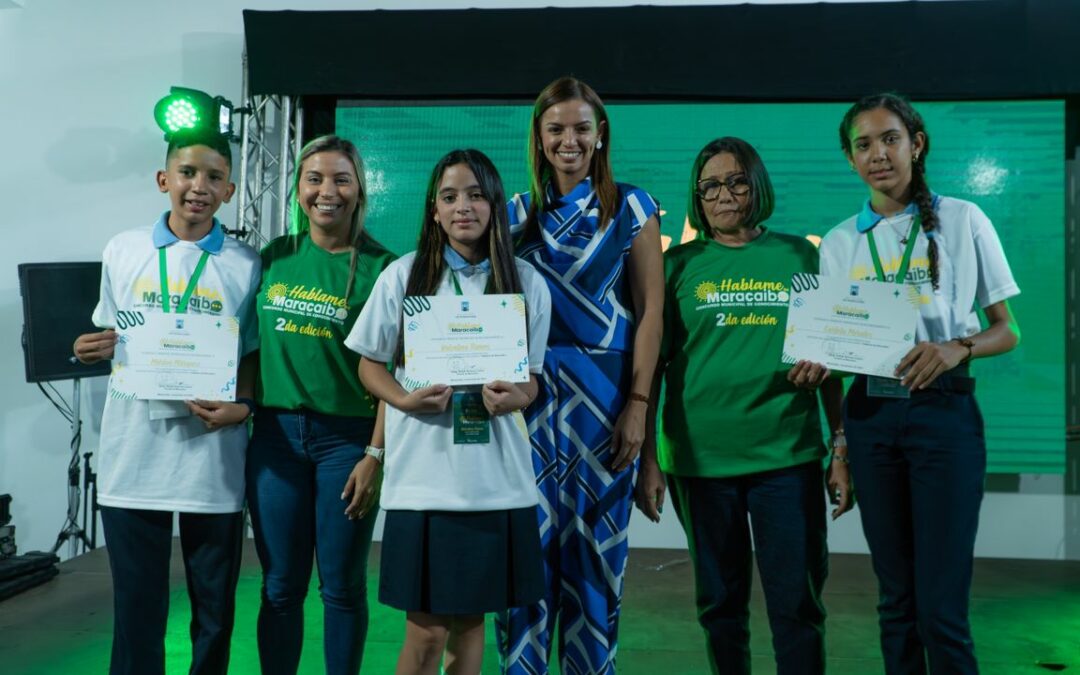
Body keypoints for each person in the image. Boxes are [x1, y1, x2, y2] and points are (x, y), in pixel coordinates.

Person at [820, 93, 1021, 674]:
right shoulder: (839, 242)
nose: (878, 154)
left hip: (944, 416)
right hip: (870, 420)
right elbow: (837, 350)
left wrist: (956, 346)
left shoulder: (963, 220)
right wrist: (839, 444)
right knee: (896, 601)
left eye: (889, 139)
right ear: (850, 158)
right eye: (863, 144)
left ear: (916, 144)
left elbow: (1006, 331)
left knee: (942, 609)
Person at [635, 137, 852, 675]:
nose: (723, 194)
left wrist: (840, 447)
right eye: (709, 186)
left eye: (735, 181)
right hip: (701, 464)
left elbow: (828, 358)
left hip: (787, 456)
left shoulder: (801, 254)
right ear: (697, 197)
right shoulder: (677, 264)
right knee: (720, 608)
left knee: (797, 607)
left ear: (757, 185)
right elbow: (654, 365)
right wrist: (646, 458)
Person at [346, 149, 551, 675]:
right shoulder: (403, 276)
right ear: (433, 210)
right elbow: (370, 366)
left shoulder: (526, 282)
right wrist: (404, 400)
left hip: (495, 480)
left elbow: (532, 380)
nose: (464, 206)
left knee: (470, 626)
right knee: (426, 634)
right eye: (450, 196)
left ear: (496, 206)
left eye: (477, 194)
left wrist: (519, 397)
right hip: (424, 482)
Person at [72, 128, 260, 675]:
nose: (198, 187)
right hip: (134, 457)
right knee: (137, 609)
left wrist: (243, 407)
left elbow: (249, 353)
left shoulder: (246, 264)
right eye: (188, 172)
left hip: (213, 455)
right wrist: (85, 349)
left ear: (228, 190)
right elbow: (106, 334)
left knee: (214, 612)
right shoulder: (122, 248)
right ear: (164, 180)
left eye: (214, 177)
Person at [496, 76, 664, 675]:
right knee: (525, 557)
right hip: (530, 409)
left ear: (600, 135)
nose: (570, 140)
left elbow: (650, 316)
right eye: (556, 129)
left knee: (596, 563)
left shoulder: (634, 207)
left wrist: (639, 406)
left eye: (581, 128)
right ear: (539, 140)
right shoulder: (513, 214)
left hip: (607, 405)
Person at [242, 135, 396, 675]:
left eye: (340, 179)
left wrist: (374, 455)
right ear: (298, 189)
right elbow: (241, 345)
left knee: (341, 587)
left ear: (359, 191)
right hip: (275, 439)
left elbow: (397, 374)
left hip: (347, 443)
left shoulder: (384, 269)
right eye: (314, 179)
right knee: (281, 585)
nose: (326, 191)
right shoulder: (273, 257)